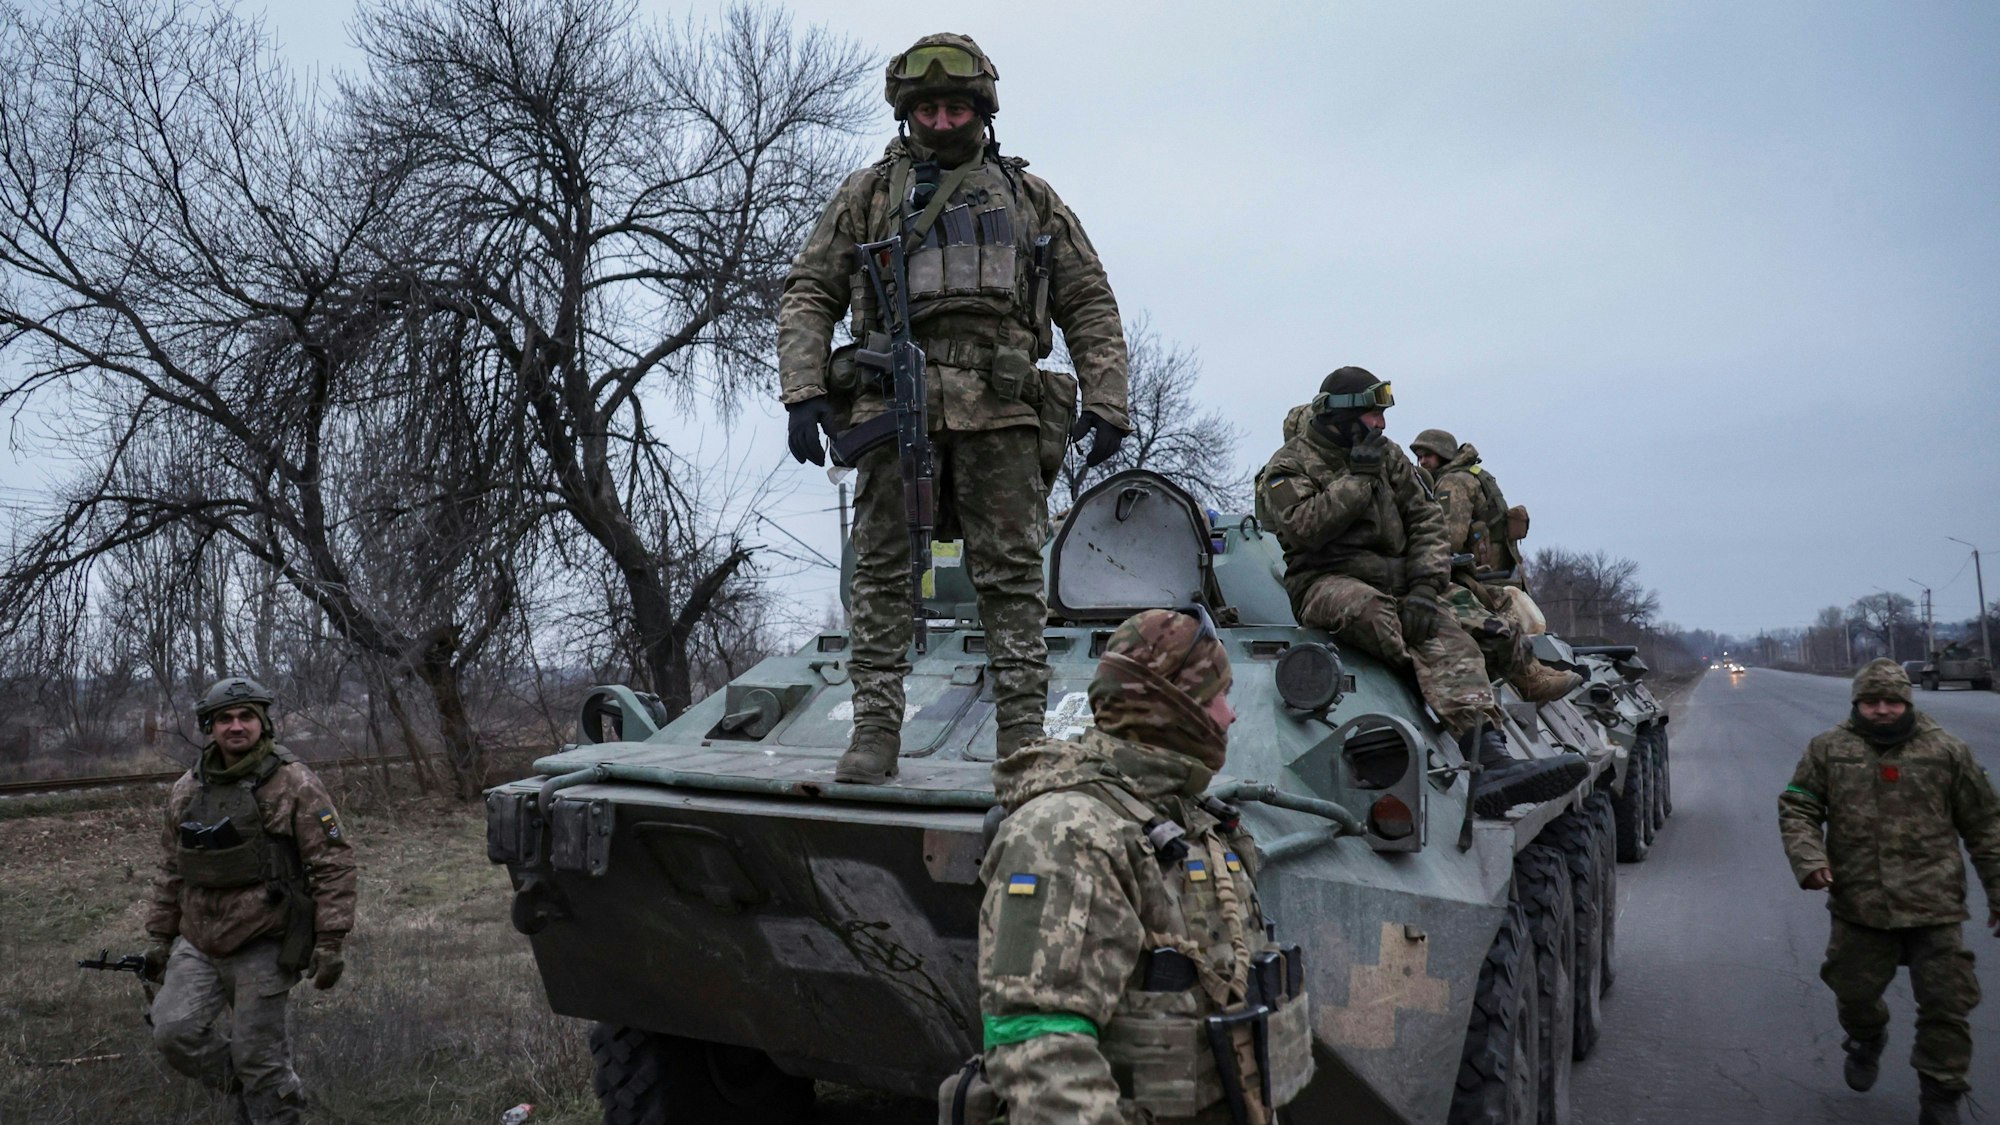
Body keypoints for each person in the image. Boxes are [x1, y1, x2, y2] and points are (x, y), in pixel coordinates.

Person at [777, 33, 1130, 782]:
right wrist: (804, 391)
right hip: (894, 405)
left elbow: (1088, 301)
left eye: (956, 107)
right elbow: (811, 291)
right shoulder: (869, 194)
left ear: (981, 110)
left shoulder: (1029, 198)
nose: (942, 121)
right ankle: (874, 730)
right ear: (909, 113)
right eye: (929, 108)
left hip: (1001, 411)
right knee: (878, 573)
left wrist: (1107, 400)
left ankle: (1021, 740)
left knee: (1010, 579)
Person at [962, 607, 1309, 1124]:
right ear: (1173, 709)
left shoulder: (1189, 818)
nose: (1229, 715)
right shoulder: (1068, 831)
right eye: (1215, 697)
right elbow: (1044, 1059)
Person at [1256, 367, 1587, 815]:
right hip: (1326, 580)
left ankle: (1491, 762)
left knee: (1462, 632)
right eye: (1375, 415)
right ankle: (1433, 727)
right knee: (1376, 617)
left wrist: (1425, 587)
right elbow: (1303, 529)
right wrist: (1356, 480)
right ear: (1344, 415)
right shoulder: (1288, 465)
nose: (1383, 425)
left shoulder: (1388, 456)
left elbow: (1427, 521)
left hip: (1403, 580)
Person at [1779, 658, 2000, 1125]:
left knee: (1948, 1005)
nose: (1882, 710)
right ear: (1857, 702)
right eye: (1872, 701)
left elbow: (1985, 827)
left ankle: (1940, 1094)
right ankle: (1866, 1037)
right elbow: (1799, 806)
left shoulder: (1946, 751)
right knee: (1853, 995)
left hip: (1934, 905)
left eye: (1893, 701)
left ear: (1908, 702)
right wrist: (1810, 860)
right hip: (1860, 903)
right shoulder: (1828, 750)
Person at [142, 677, 358, 1124]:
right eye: (225, 719)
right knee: (174, 1032)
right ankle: (250, 1092)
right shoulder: (187, 789)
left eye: (246, 717)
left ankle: (274, 1111)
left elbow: (333, 861)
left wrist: (331, 939)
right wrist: (160, 938)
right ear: (210, 726)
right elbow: (171, 869)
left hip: (266, 939)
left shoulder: (295, 783)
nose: (236, 727)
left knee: (260, 1058)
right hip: (198, 939)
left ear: (263, 723)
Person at [1407, 427, 1577, 703]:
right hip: (1504, 576)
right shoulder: (1476, 475)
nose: (1422, 462)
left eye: (1428, 455)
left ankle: (1527, 679)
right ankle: (1532, 674)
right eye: (1420, 457)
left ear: (1445, 455)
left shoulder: (1453, 482)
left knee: (1487, 631)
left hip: (1480, 579)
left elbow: (1448, 537)